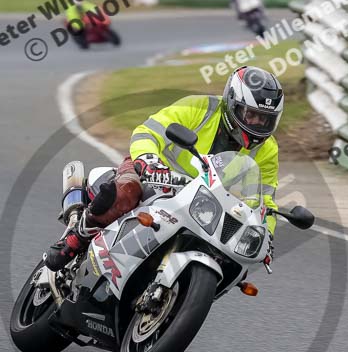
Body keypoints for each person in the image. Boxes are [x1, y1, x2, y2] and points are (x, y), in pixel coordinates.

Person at [44, 66, 283, 272]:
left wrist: (267, 235)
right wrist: (148, 160)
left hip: (204, 203)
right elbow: (148, 131)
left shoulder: (268, 149)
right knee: (126, 192)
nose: (257, 124)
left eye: (265, 119)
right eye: (251, 115)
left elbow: (265, 202)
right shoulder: (199, 108)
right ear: (232, 103)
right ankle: (75, 240)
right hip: (155, 174)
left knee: (231, 254)